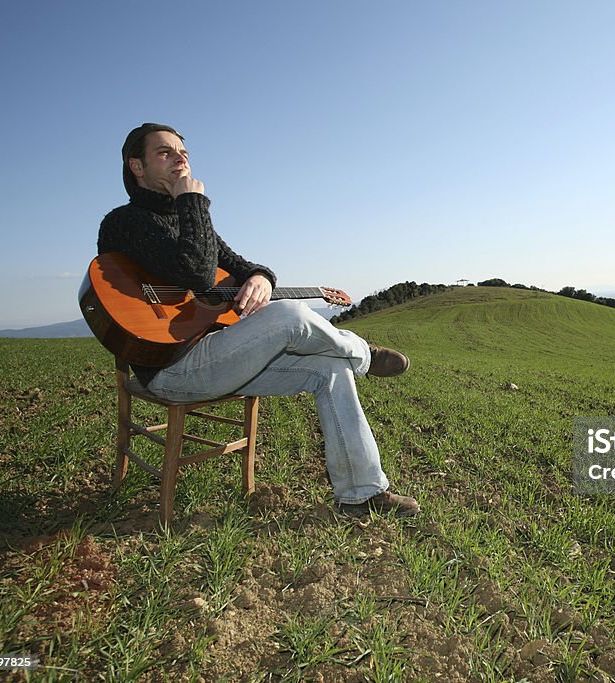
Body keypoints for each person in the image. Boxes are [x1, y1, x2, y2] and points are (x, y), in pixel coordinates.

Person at [98, 122, 419, 517]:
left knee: (331, 368)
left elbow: (241, 264)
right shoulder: (123, 223)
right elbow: (197, 274)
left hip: (218, 355)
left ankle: (361, 494)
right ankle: (363, 354)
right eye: (165, 152)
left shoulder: (189, 220)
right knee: (289, 316)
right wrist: (192, 202)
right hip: (172, 369)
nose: (181, 158)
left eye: (184, 151)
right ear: (137, 167)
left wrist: (261, 279)